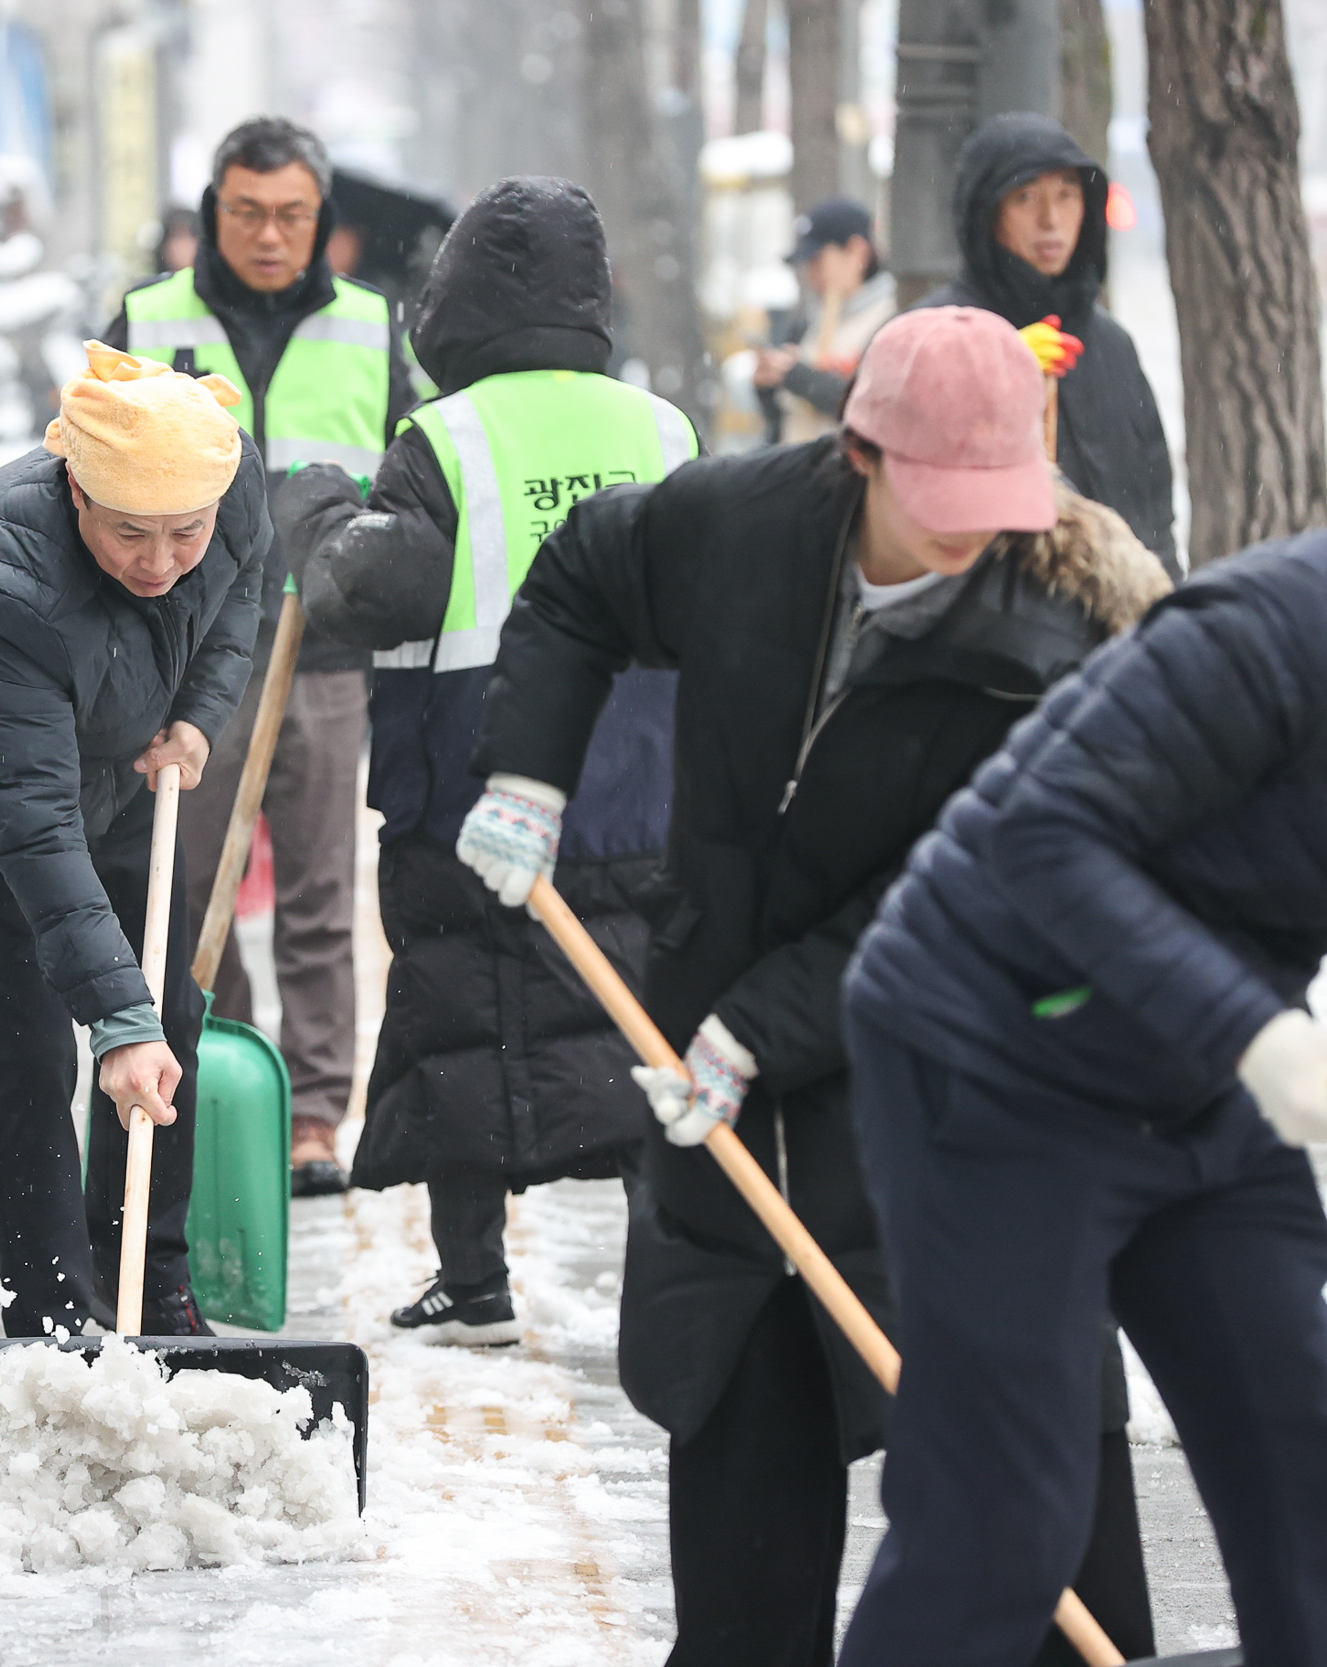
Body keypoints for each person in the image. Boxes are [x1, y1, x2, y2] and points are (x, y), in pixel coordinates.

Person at [456, 306, 1171, 1664]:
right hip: (723, 1091)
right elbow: (579, 580)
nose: (973, 536)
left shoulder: (1048, 649)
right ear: (859, 452)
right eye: (942, 499)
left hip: (961, 1097)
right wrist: (528, 766)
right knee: (744, 1503)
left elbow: (964, 906)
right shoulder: (737, 526)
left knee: (1037, 1511)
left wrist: (760, 1024)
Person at [836, 528, 1327, 1665]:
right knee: (1003, 1517)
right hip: (998, 1050)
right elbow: (1042, 833)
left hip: (1198, 1075)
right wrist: (1252, 1033)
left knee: (1300, 1457)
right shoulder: (1264, 633)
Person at [274, 176, 696, 1346]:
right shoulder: (659, 427)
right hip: (647, 789)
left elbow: (370, 589)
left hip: (479, 789)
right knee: (639, 1032)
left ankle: (476, 1283)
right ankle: (665, 1287)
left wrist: (311, 517)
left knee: (466, 1018)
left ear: (451, 303)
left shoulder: (446, 438)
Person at [0, 345, 265, 1337]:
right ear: (76, 486)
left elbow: (242, 591)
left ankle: (152, 1277)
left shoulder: (230, 480)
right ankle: (51, 1307)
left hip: (119, 764)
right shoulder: (8, 579)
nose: (163, 560)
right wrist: (107, 1019)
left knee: (166, 1007)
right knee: (36, 1043)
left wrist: (199, 716)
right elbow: (30, 820)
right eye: (132, 534)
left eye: (185, 534)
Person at [104, 117, 414, 1195]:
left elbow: (409, 487)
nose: (269, 235)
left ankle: (318, 1114)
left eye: (290, 215)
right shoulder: (150, 319)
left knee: (323, 890)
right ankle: (225, 1069)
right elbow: (86, 474)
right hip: (191, 653)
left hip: (324, 652)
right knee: (188, 882)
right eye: (246, 213)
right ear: (211, 210)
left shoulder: (375, 328)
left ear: (321, 217)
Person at [916, 111, 1177, 572]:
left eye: (1067, 194)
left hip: (1118, 619)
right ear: (985, 211)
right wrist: (989, 367)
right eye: (1025, 197)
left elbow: (1153, 502)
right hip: (986, 621)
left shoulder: (1110, 343)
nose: (1050, 219)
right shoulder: (934, 331)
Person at [754, 197, 897, 444]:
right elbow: (780, 425)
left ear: (857, 251)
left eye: (819, 260)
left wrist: (798, 377)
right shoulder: (807, 323)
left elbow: (866, 404)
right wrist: (768, 386)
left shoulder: (892, 321)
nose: (812, 274)